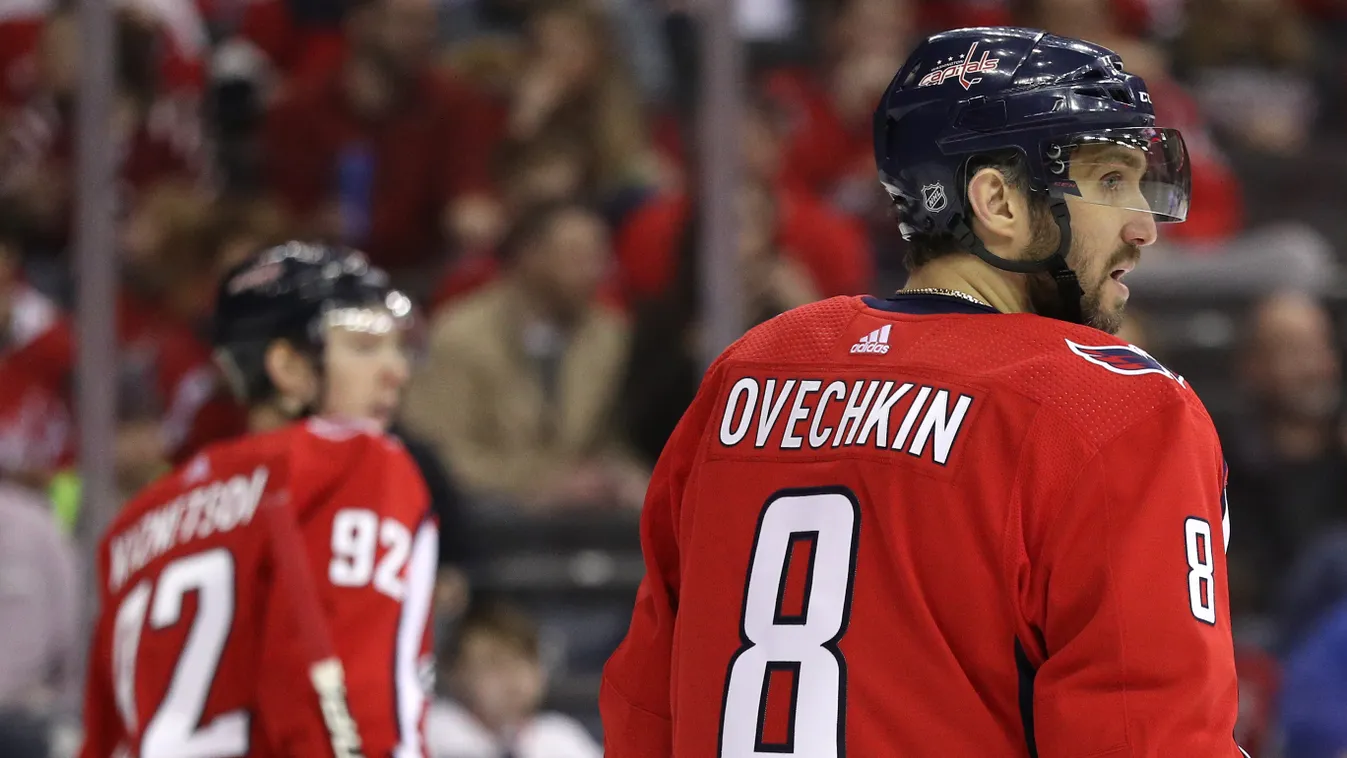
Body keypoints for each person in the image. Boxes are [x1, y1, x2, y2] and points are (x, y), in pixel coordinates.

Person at [600, 27, 1248, 757]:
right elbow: (1145, 740)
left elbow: (644, 707)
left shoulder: (752, 369)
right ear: (997, 201)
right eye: (1107, 182)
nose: (1142, 227)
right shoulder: (1114, 406)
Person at [78, 242, 438, 758]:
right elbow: (346, 699)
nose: (396, 371)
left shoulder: (135, 523)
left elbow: (104, 739)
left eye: (397, 348)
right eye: (363, 346)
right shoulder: (354, 462)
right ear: (288, 368)